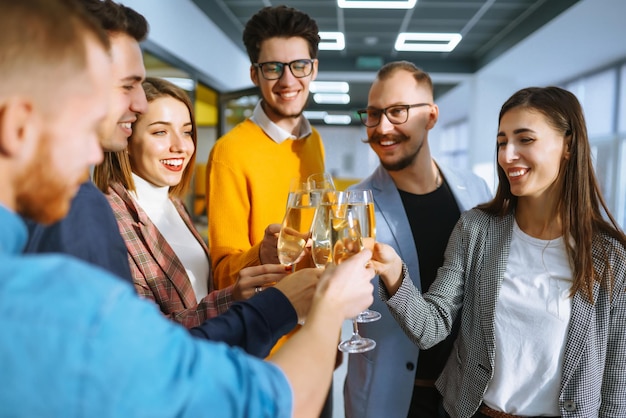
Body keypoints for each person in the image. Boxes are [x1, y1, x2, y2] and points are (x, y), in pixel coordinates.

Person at [0, 3, 376, 416]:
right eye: (120, 89)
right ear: (18, 126)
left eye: (185, 131)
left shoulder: (171, 206)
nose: (139, 105)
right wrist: (325, 306)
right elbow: (259, 396)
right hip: (263, 354)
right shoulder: (87, 225)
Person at [373, 86, 626, 418]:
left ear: (568, 145)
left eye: (525, 139)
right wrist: (393, 272)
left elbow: (616, 387)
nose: (507, 156)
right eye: (502, 142)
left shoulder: (610, 257)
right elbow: (431, 327)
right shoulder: (477, 229)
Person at [93, 77, 318, 357]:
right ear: (127, 138)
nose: (180, 146)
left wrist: (261, 255)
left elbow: (199, 291)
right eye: (160, 132)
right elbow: (143, 336)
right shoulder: (107, 217)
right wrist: (230, 300)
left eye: (186, 132)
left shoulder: (174, 205)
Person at [344, 61, 492, 418]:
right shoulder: (352, 204)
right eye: (374, 113)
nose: (382, 127)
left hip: (464, 399)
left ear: (431, 116)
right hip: (386, 398)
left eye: (397, 112)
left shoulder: (475, 190)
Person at [23, 0, 149, 283]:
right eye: (127, 86)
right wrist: (269, 304)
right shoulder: (76, 204)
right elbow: (115, 328)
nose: (142, 105)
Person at [206, 5, 325, 290]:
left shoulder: (314, 141)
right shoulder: (229, 152)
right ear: (254, 75)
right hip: (273, 328)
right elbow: (222, 276)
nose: (288, 80)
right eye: (273, 68)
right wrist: (260, 254)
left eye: (299, 65)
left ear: (313, 69)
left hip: (321, 318)